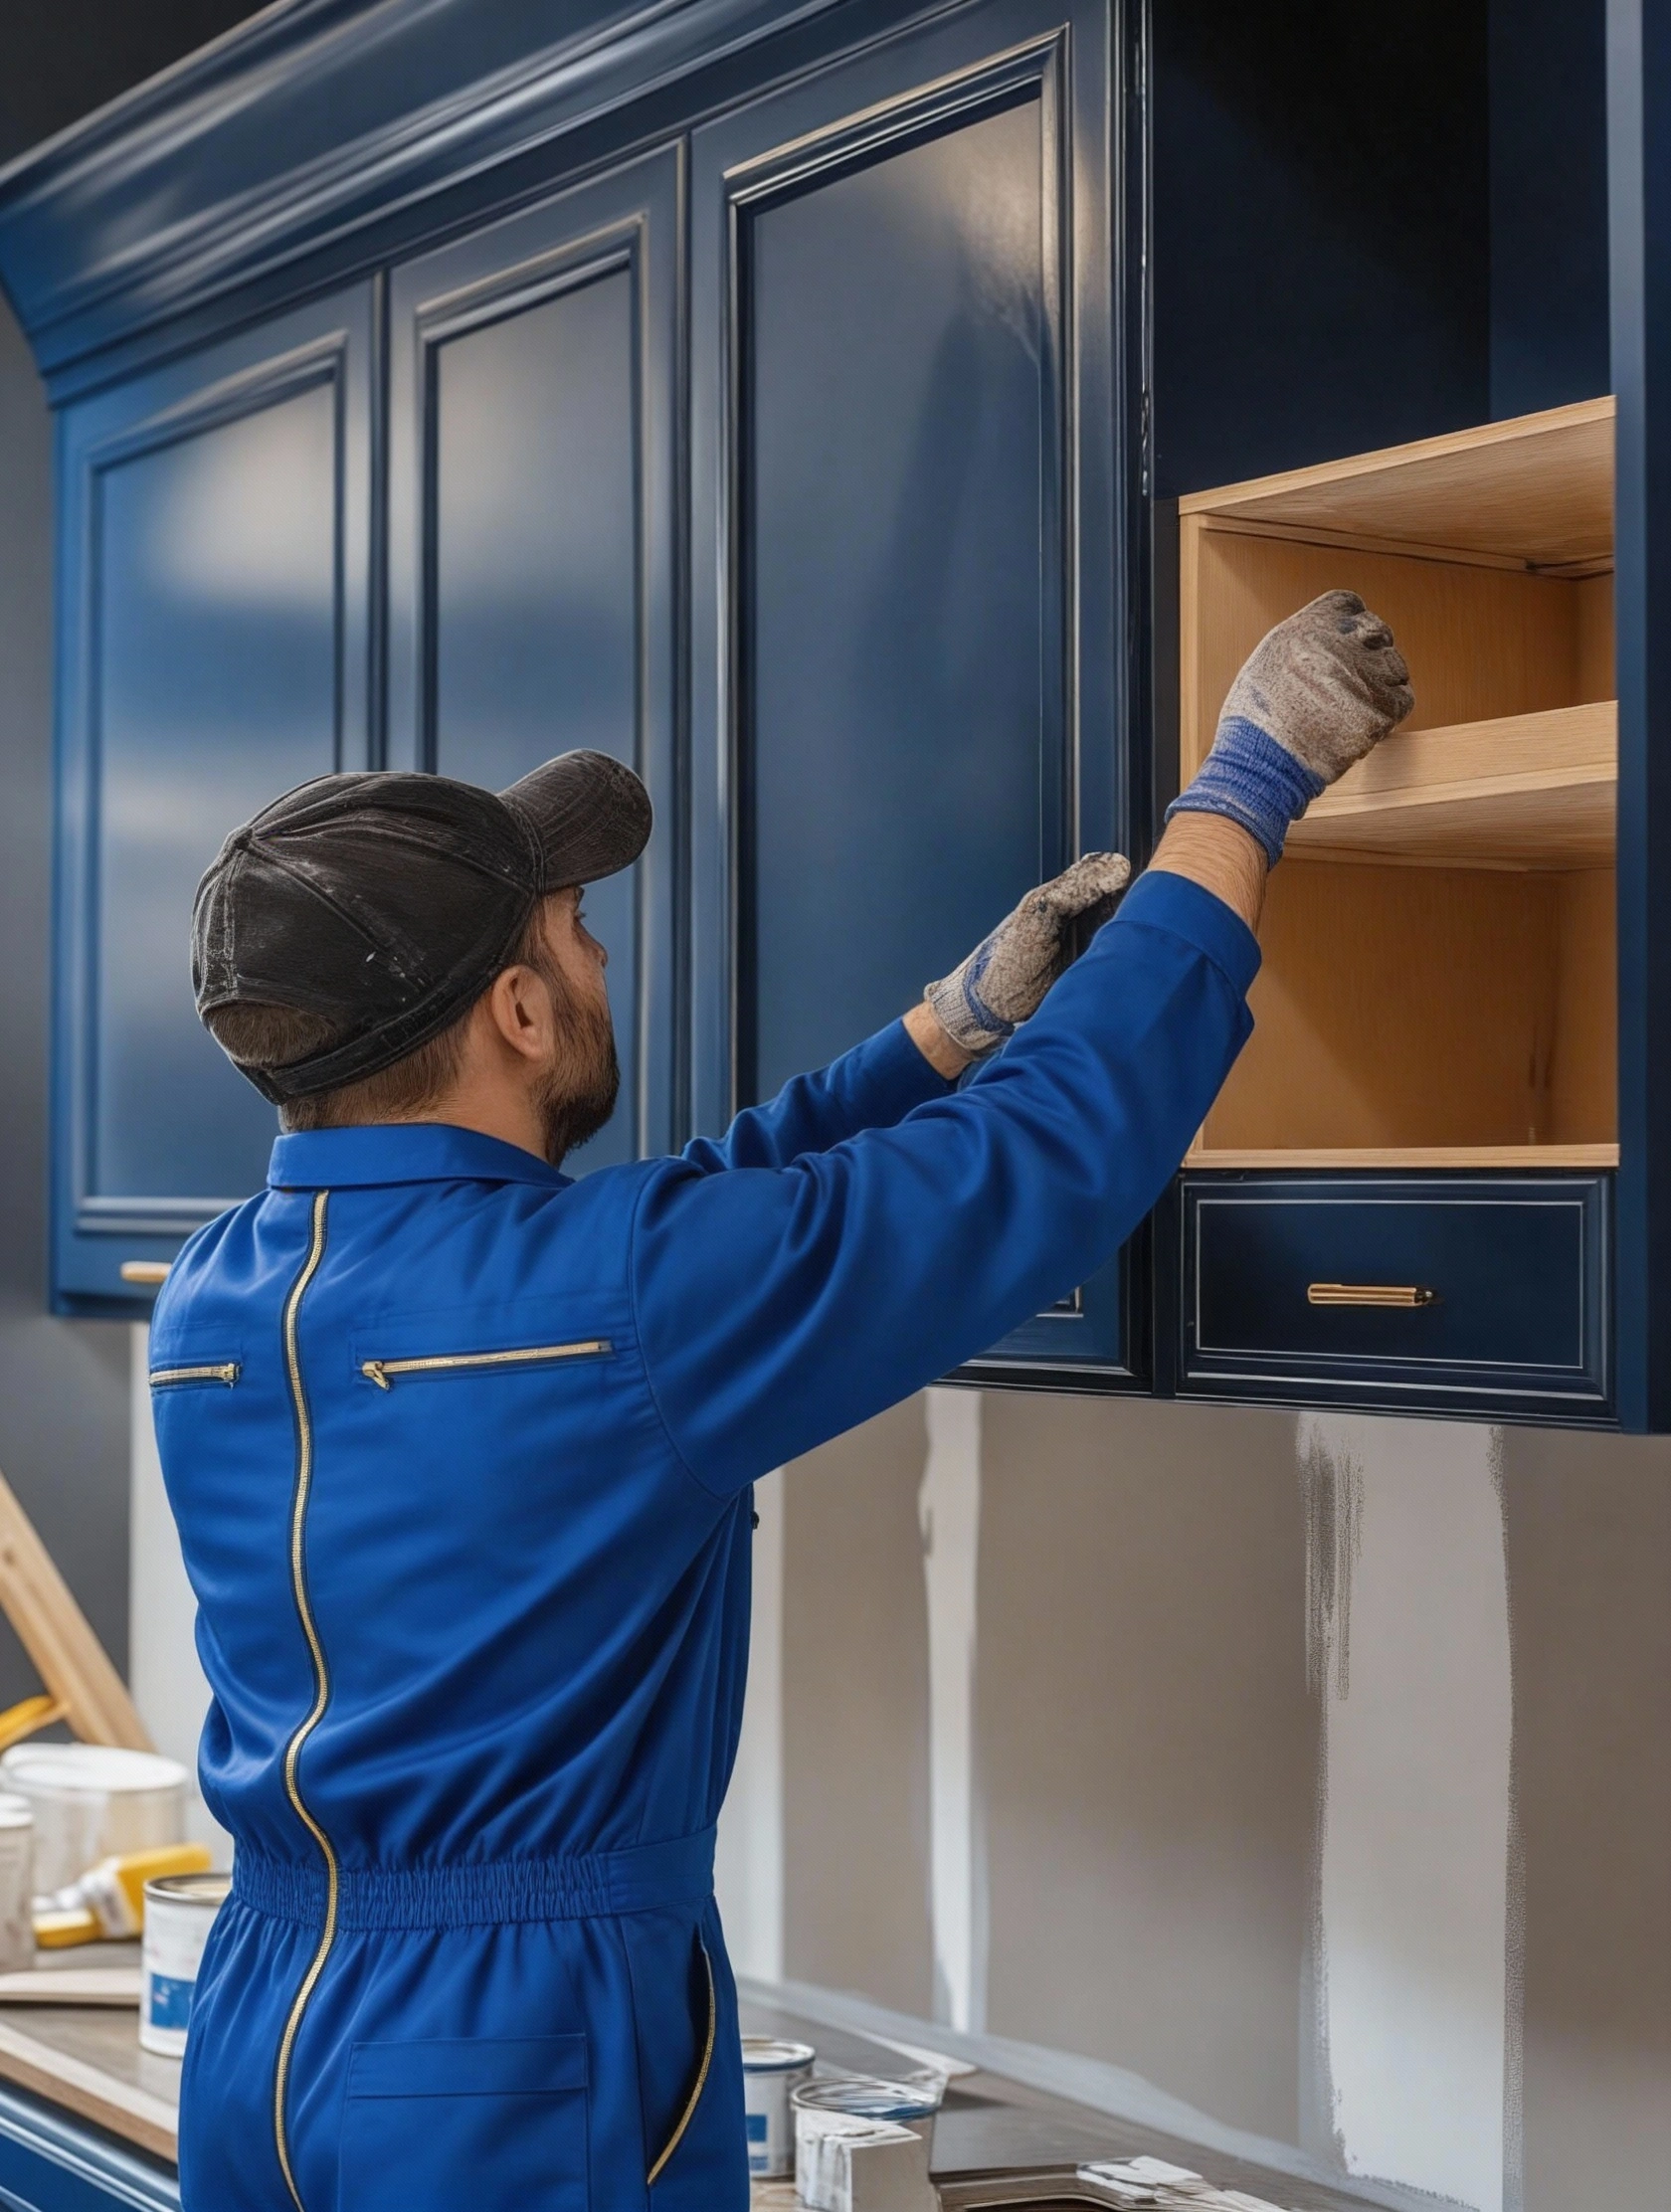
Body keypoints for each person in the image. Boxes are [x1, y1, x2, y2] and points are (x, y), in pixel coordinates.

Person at [151, 591, 1410, 2211]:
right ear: (521, 1015)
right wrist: (1242, 790)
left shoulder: (216, 1290)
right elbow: (1029, 1164)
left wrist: (945, 1029)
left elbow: (682, 1226)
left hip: (260, 2030)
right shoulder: (614, 1299)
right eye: (572, 929)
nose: (601, 951)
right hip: (514, 2055)